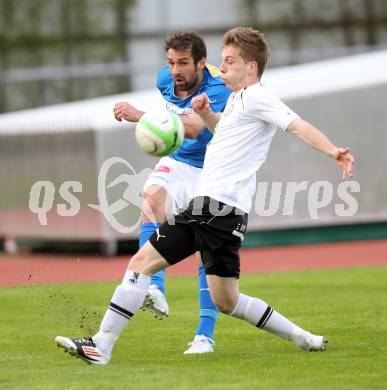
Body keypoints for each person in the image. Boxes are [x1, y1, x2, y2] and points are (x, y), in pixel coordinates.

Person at [55, 26, 354, 365]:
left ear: (251, 67)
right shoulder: (240, 99)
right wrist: (208, 113)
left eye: (229, 61)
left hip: (211, 207)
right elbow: (222, 130)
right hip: (229, 214)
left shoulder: (257, 96)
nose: (221, 68)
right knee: (228, 301)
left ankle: (101, 345)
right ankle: (305, 338)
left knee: (140, 264)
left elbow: (296, 124)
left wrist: (334, 151)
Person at [112, 31, 232, 354]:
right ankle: (155, 287)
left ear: (201, 63)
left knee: (204, 251)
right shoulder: (164, 79)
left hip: (212, 171)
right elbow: (176, 122)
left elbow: (193, 125)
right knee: (150, 201)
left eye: (183, 63)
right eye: (171, 62)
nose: (175, 70)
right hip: (179, 161)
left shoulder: (218, 87)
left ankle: (204, 336)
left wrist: (140, 116)